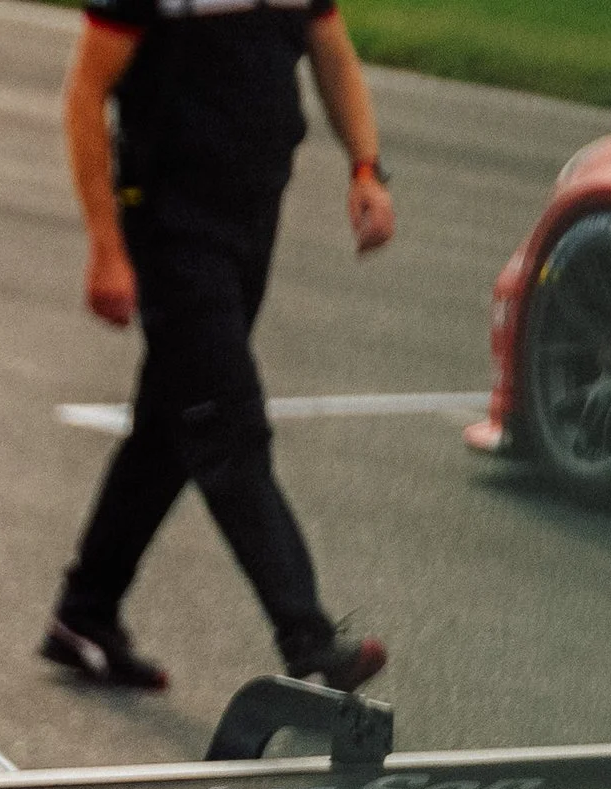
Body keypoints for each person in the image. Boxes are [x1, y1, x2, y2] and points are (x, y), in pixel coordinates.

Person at [42, 0, 398, 696]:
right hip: (172, 224)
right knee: (229, 429)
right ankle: (308, 639)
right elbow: (86, 92)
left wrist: (366, 168)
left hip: (251, 219)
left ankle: (84, 613)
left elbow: (331, 49)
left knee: (171, 428)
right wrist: (107, 248)